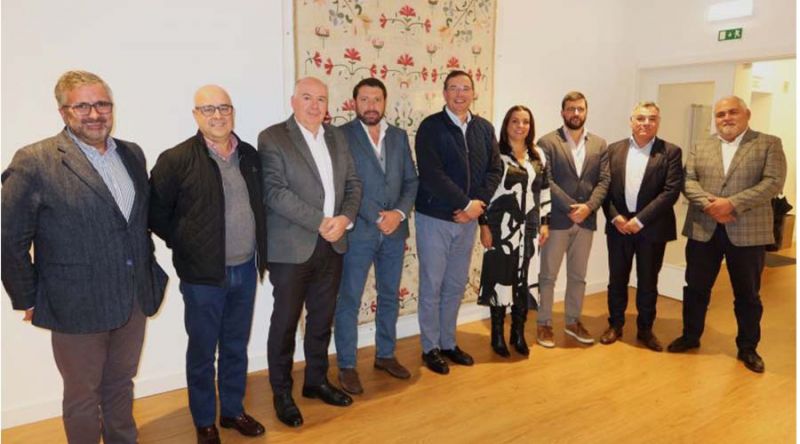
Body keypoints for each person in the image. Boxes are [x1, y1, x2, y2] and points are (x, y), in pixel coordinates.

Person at [1, 70, 167, 444]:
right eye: (82, 106)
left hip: (133, 297)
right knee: (82, 395)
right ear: (63, 111)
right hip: (75, 302)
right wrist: (27, 297)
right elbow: (10, 240)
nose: (95, 114)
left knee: (121, 383)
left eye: (102, 104)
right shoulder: (35, 161)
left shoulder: (132, 153)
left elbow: (135, 223)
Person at [149, 85, 268, 443]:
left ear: (232, 112)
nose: (218, 115)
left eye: (224, 108)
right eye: (208, 109)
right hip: (202, 277)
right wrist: (187, 243)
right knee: (202, 352)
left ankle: (232, 411)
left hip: (245, 269)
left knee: (235, 346)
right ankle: (204, 421)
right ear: (196, 115)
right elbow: (155, 214)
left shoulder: (249, 155)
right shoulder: (176, 159)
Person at [259, 77, 363, 427]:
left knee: (321, 319)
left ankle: (316, 381)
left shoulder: (337, 137)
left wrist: (345, 219)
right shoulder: (273, 137)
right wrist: (321, 221)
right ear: (293, 101)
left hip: (333, 244)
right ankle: (282, 393)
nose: (315, 105)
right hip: (292, 248)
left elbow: (353, 184)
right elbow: (275, 192)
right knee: (285, 323)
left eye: (321, 99)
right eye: (307, 97)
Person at [668, 96, 786, 373]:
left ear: (747, 114)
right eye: (720, 114)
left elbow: (773, 182)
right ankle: (690, 335)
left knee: (747, 294)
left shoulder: (768, 143)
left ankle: (748, 347)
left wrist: (731, 204)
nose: (726, 118)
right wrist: (711, 206)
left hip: (747, 232)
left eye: (732, 112)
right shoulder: (701, 146)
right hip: (703, 229)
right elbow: (688, 181)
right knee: (695, 288)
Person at [333, 78, 419, 394]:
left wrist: (398, 213)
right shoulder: (340, 136)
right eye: (365, 99)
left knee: (389, 295)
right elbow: (343, 184)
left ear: (385, 102)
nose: (371, 105)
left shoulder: (398, 136)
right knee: (349, 298)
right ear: (354, 102)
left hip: (394, 232)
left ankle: (385, 354)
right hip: (359, 232)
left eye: (377, 99)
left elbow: (411, 181)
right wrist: (378, 216)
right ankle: (347, 365)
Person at [414, 70, 503, 374]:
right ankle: (430, 347)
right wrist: (465, 204)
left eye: (465, 88)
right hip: (435, 218)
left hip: (468, 221)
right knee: (432, 284)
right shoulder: (430, 127)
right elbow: (431, 173)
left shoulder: (484, 128)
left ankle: (448, 343)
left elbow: (494, 170)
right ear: (444, 93)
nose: (460, 94)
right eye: (454, 88)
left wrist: (476, 207)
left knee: (454, 284)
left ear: (473, 93)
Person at [599, 102, 683, 352]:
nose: (646, 123)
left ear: (658, 122)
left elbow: (671, 192)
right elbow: (603, 188)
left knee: (648, 281)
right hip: (619, 227)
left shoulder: (671, 152)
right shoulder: (613, 150)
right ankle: (615, 325)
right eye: (641, 118)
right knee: (617, 279)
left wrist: (639, 220)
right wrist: (615, 217)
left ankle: (645, 329)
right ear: (631, 121)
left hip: (653, 228)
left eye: (652, 118)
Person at [536, 91, 609, 347]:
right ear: (562, 112)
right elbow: (546, 180)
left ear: (586, 111)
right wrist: (571, 207)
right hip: (557, 220)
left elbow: (604, 180)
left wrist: (588, 207)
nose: (575, 113)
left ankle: (572, 321)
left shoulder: (599, 144)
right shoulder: (547, 142)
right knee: (548, 276)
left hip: (586, 221)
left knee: (578, 276)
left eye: (580, 109)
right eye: (570, 109)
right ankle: (544, 323)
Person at [478, 105, 550, 357]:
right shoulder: (495, 154)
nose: (521, 126)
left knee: (524, 279)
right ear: (506, 125)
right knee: (500, 278)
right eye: (515, 121)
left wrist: (544, 222)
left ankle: (517, 333)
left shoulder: (538, 155)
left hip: (530, 227)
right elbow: (483, 192)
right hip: (501, 227)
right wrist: (483, 225)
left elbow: (544, 190)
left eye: (525, 122)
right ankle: (497, 335)